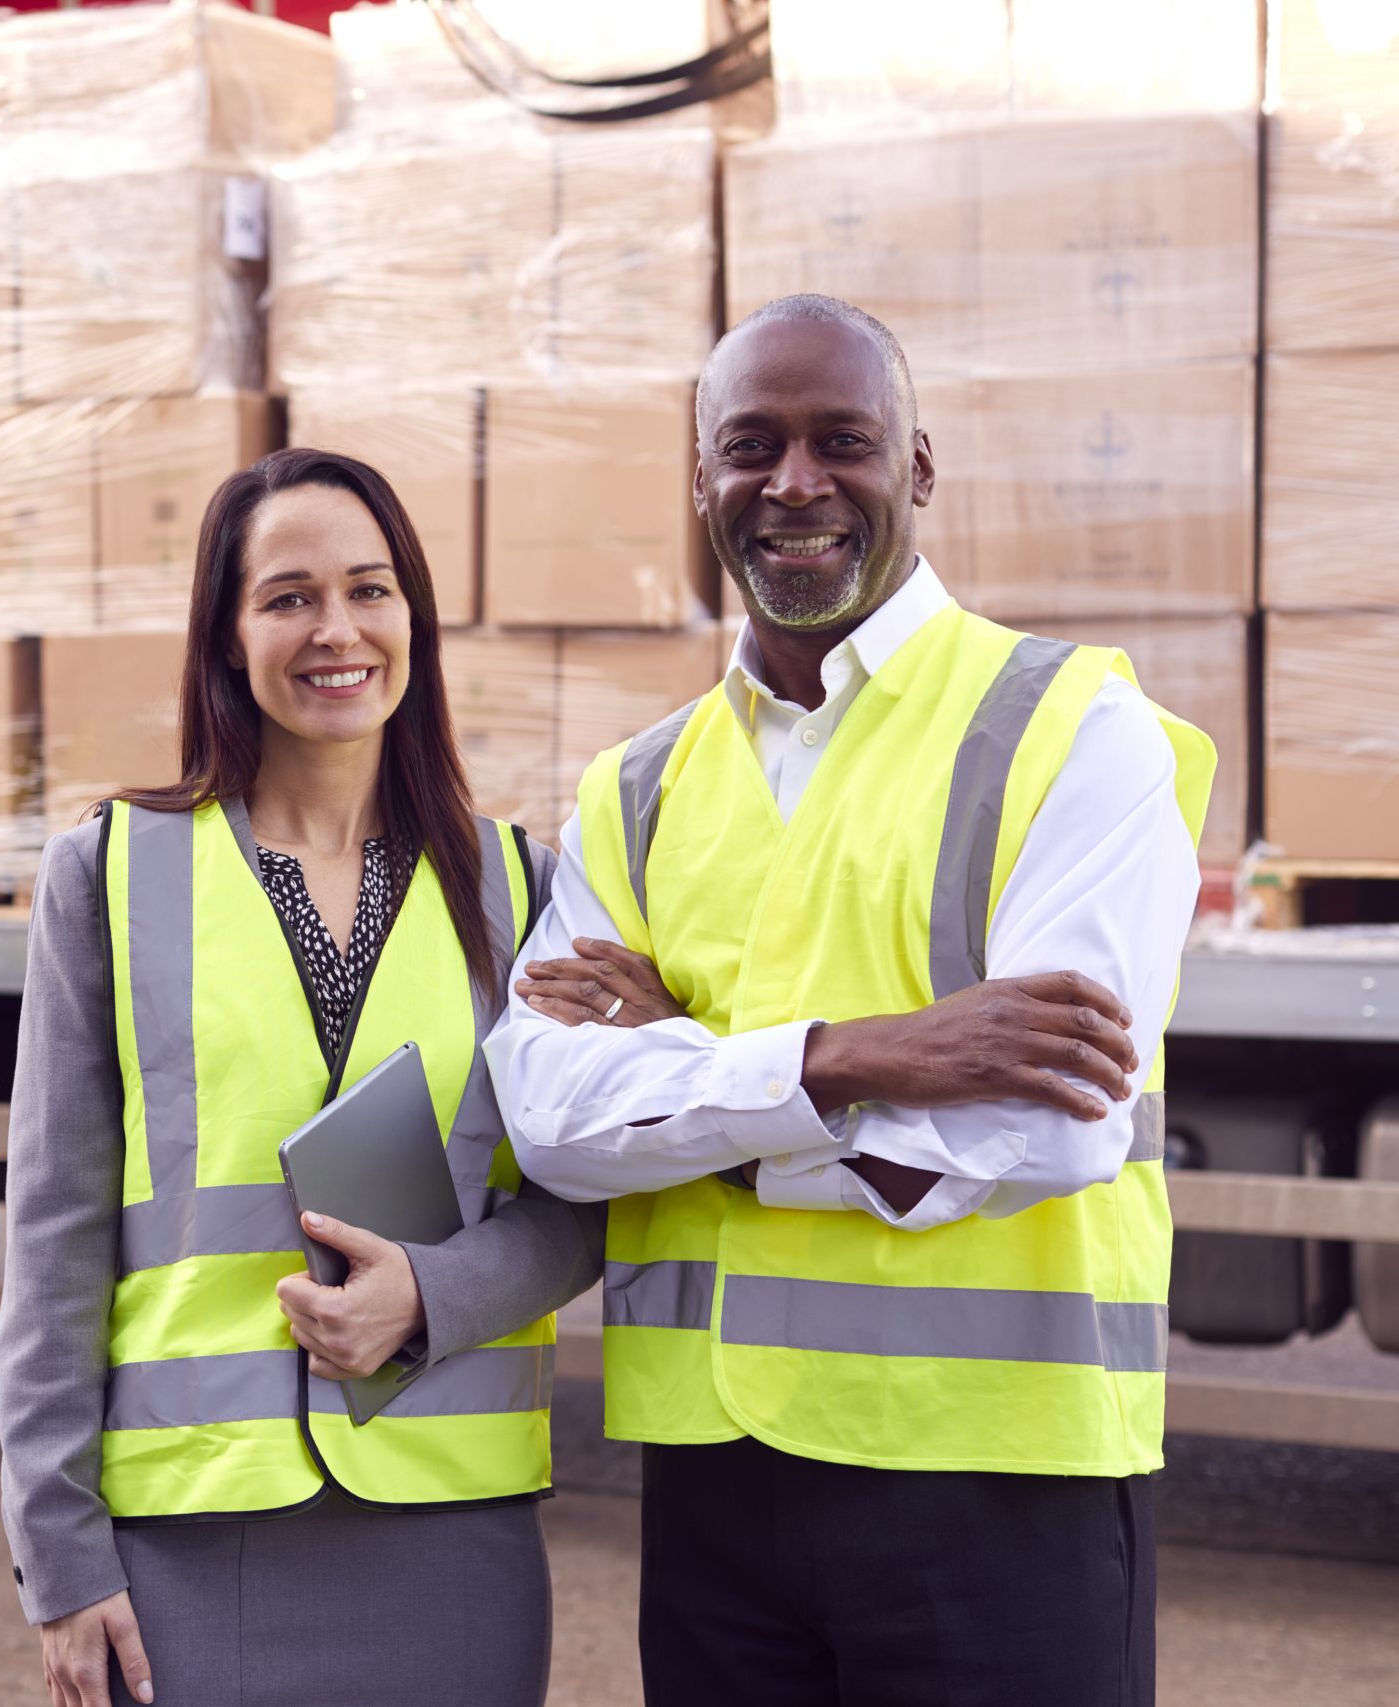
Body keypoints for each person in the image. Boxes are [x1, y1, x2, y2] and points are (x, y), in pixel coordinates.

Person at [485, 295, 1213, 1707]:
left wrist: (691, 1085)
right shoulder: (635, 785)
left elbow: (1047, 1125)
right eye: (749, 446)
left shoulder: (1079, 727)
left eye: (845, 440)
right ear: (699, 482)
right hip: (716, 1495)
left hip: (1001, 1479)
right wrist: (856, 1055)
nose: (795, 483)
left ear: (921, 466)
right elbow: (554, 1115)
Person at [0, 448, 604, 1707]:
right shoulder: (109, 875)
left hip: (452, 1525)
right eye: (287, 598)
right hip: (193, 1530)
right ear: (226, 636)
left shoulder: (520, 887)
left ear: (412, 619)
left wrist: (431, 1295)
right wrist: (57, 1555)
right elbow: (51, 1236)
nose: (336, 631)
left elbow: (579, 1201)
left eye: (369, 590)